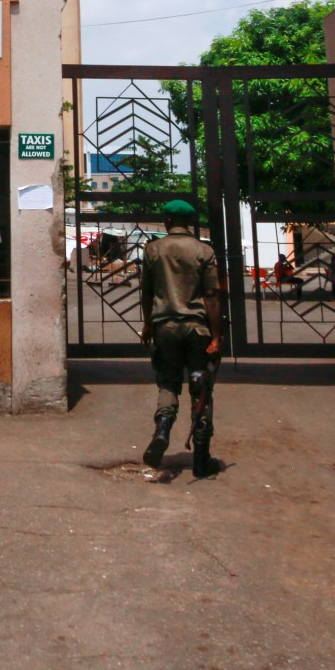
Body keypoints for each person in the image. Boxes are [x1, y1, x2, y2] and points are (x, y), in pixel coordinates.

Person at [137, 199, 224, 477]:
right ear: (190, 222)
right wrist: (216, 336)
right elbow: (211, 296)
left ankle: (163, 428)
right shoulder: (204, 250)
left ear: (166, 221)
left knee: (168, 382)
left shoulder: (152, 250)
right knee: (201, 388)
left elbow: (147, 293)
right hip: (197, 328)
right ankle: (201, 459)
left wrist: (148, 326)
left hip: (165, 328)